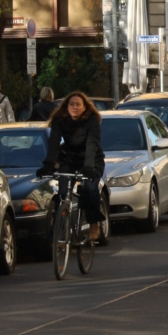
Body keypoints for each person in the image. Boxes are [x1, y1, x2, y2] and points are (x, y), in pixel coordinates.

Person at [36, 92, 106, 241]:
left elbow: (92, 143)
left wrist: (88, 166)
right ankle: (60, 233)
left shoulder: (92, 120)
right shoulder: (60, 120)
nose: (74, 107)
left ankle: (94, 223)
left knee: (89, 189)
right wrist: (48, 164)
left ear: (84, 107)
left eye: (78, 104)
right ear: (66, 106)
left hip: (92, 161)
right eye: (71, 104)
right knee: (62, 194)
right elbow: (54, 143)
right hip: (69, 159)